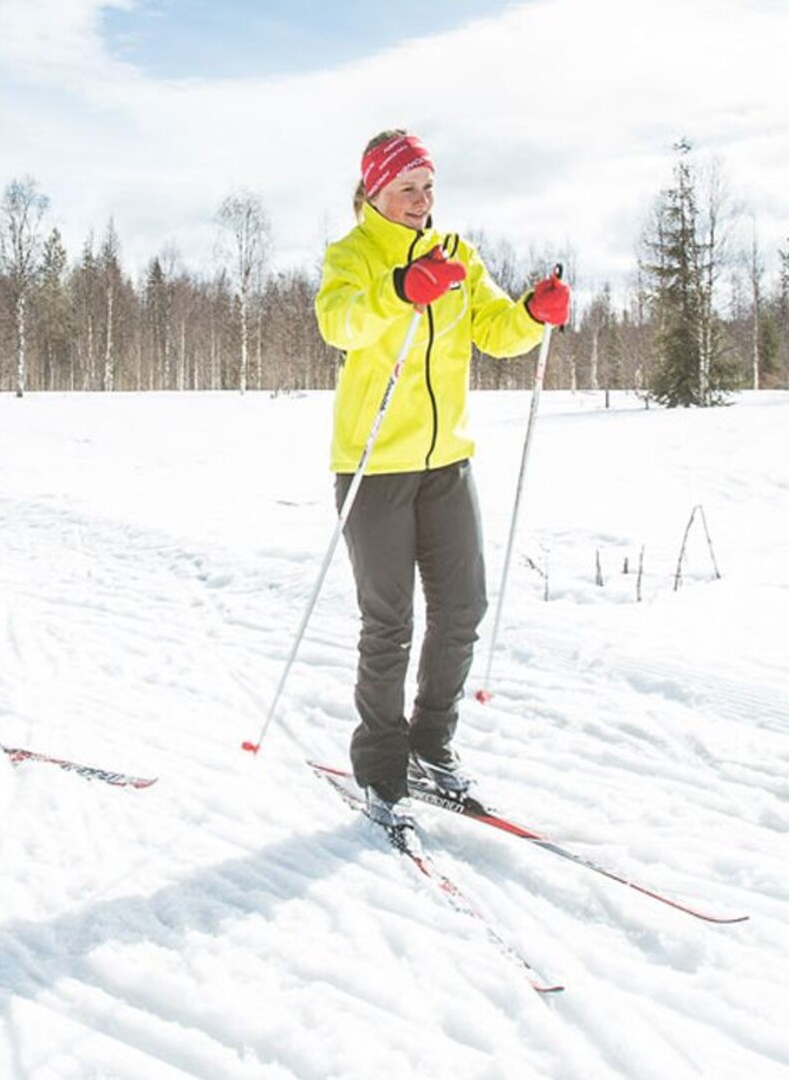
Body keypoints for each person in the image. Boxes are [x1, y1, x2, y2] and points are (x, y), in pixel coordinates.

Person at [314, 130, 570, 828]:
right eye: (407, 188)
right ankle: (381, 767)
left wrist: (531, 314)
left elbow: (493, 330)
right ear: (375, 192)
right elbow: (340, 324)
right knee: (389, 622)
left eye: (428, 187)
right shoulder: (353, 256)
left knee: (462, 609)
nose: (422, 201)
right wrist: (400, 290)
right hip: (375, 466)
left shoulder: (457, 254)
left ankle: (431, 744)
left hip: (447, 462)